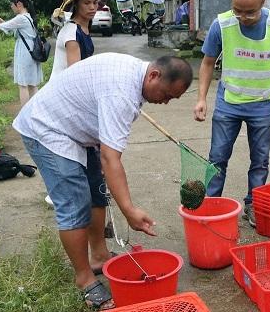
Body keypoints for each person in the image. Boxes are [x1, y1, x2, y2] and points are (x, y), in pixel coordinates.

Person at [13, 53, 192, 310]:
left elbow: (107, 154)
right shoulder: (122, 93)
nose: (165, 102)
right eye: (166, 95)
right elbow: (111, 159)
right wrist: (129, 210)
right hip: (47, 129)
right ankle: (84, 278)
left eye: (171, 99)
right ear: (154, 75)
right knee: (75, 204)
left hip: (77, 130)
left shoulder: (135, 77)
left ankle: (99, 256)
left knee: (96, 193)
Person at [193, 0, 270, 227]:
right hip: (230, 102)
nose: (244, 17)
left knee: (260, 160)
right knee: (217, 157)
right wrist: (201, 98)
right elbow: (207, 63)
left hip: (262, 103)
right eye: (238, 10)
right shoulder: (222, 24)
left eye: (250, 12)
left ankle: (254, 205)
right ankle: (211, 204)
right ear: (231, 2)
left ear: (263, 3)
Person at [44, 0, 111, 264]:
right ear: (75, 5)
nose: (93, 8)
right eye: (87, 4)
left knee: (93, 174)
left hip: (75, 104)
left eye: (95, 3)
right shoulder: (72, 32)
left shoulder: (85, 27)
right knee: (85, 174)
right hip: (63, 106)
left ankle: (98, 250)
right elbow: (75, 77)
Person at [0, 0, 43, 105]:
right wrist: (2, 21)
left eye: (11, 4)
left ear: (19, 4)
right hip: (31, 50)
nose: (11, 6)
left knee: (23, 84)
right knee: (32, 84)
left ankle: (25, 114)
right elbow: (12, 29)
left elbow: (0, 28)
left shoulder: (21, 18)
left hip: (25, 52)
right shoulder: (27, 17)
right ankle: (35, 110)